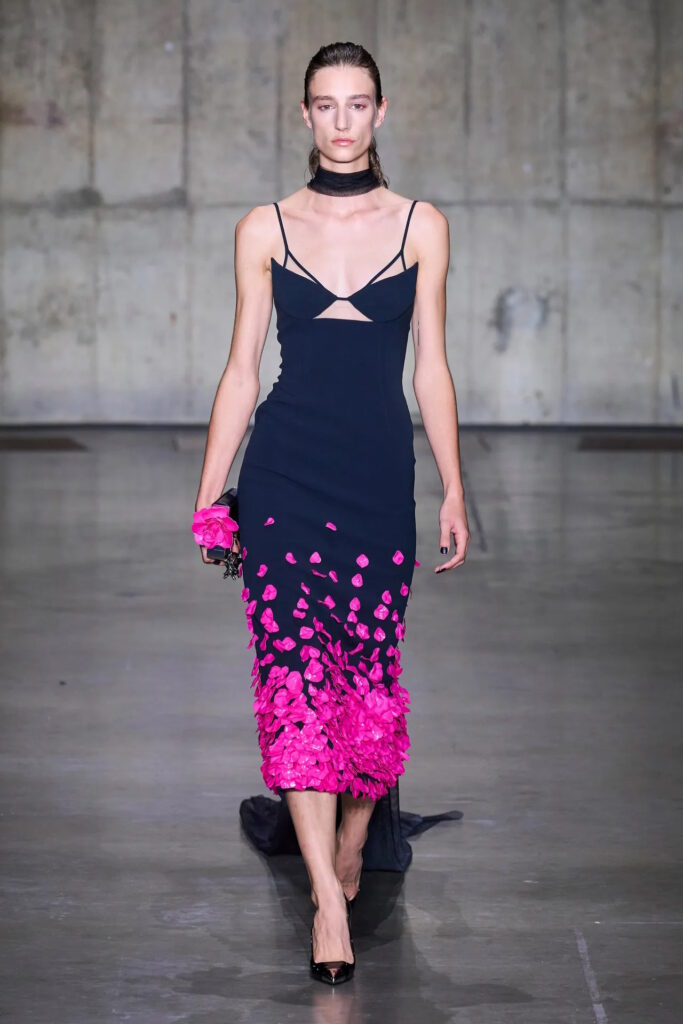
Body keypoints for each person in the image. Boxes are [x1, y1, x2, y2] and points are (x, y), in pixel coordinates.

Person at [194, 41, 469, 985]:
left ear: (380, 113)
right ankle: (324, 898)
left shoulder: (421, 225)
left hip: (375, 480)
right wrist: (210, 491)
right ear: (304, 115)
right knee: (295, 680)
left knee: (366, 683)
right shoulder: (264, 228)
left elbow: (431, 368)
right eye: (325, 104)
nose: (342, 120)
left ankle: (354, 841)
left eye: (358, 104)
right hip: (285, 478)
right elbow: (241, 370)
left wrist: (454, 485)